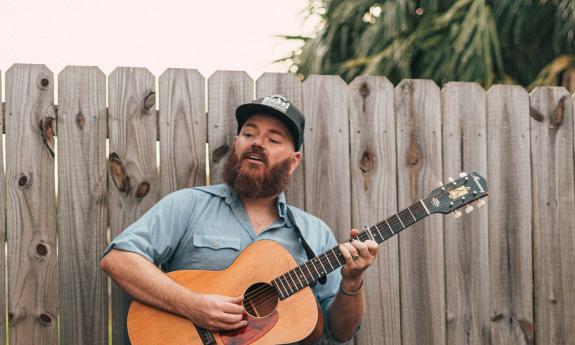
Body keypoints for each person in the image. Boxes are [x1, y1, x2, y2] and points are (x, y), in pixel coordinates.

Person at [100, 94, 379, 344]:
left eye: (273, 139)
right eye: (249, 134)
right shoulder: (188, 205)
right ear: (236, 144)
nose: (258, 143)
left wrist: (353, 281)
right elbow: (119, 259)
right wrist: (193, 305)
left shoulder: (314, 233)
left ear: (293, 161)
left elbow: (339, 331)